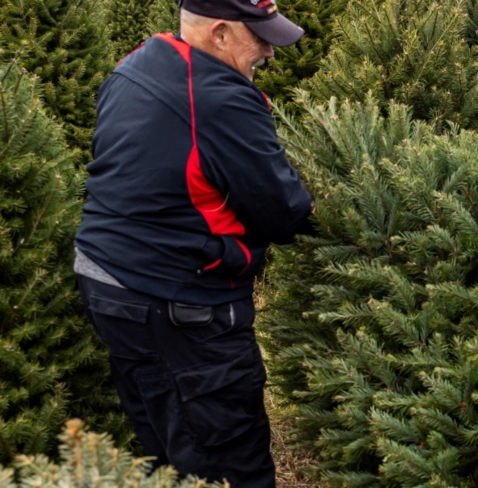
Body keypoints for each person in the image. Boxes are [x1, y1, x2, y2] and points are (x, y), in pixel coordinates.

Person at [73, 1, 313, 486]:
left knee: (166, 436)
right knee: (227, 457)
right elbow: (283, 212)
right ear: (221, 33)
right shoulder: (220, 96)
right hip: (179, 301)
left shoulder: (137, 62)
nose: (269, 51)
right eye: (261, 37)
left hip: (106, 278)